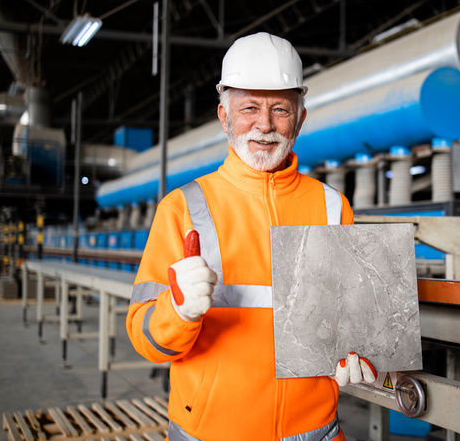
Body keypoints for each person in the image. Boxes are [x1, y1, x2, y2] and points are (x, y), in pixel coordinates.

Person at [127, 32, 376, 441]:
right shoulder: (184, 207)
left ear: (300, 117)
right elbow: (145, 338)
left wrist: (356, 351)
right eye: (249, 109)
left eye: (280, 109)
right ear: (224, 116)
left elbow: (348, 318)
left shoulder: (333, 206)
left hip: (315, 431)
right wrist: (180, 311)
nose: (265, 125)